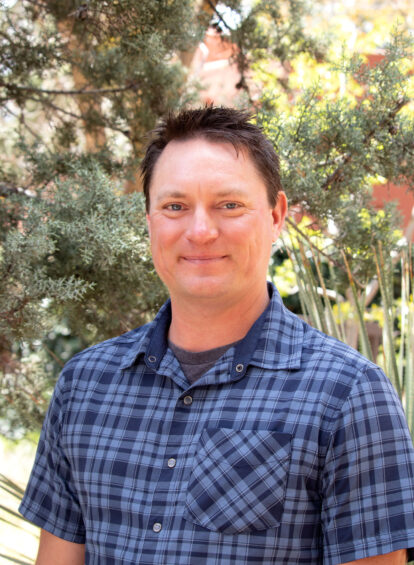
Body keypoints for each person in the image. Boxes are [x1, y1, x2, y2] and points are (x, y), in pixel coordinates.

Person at [20, 106, 414, 565]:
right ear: (149, 220)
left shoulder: (349, 395)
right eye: (175, 206)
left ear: (276, 216)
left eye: (229, 205)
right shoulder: (84, 386)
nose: (201, 231)